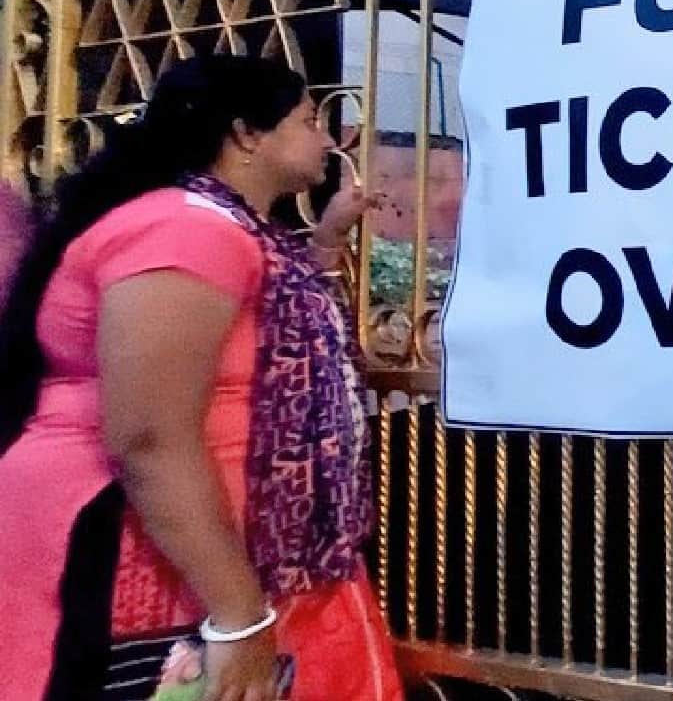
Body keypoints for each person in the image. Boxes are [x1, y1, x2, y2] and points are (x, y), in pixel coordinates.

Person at [0, 55, 402, 701]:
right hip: (136, 544)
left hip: (182, 542)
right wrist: (241, 613)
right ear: (246, 134)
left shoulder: (223, 226)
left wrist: (328, 239)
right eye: (309, 121)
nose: (329, 140)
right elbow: (148, 437)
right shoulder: (184, 228)